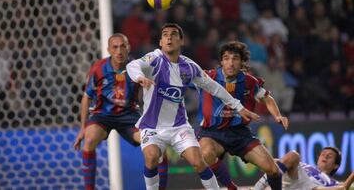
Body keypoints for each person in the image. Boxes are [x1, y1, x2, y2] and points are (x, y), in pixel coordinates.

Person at [126, 23, 260, 190]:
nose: (169, 37)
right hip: (152, 126)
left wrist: (238, 106)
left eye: (174, 34)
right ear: (160, 42)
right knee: (152, 157)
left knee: (199, 162)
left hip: (179, 126)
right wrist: (139, 77)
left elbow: (213, 87)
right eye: (165, 34)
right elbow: (132, 65)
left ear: (181, 41)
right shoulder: (154, 59)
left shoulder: (189, 67)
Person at [73, 33, 168, 190]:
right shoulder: (98, 68)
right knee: (89, 140)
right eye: (115, 47)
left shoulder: (138, 67)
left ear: (128, 48)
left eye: (123, 46)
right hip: (102, 116)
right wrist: (83, 128)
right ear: (108, 50)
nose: (119, 51)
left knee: (158, 148)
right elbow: (86, 97)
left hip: (130, 116)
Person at [197, 41, 289, 190]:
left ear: (242, 62)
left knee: (273, 171)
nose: (230, 63)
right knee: (205, 153)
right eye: (226, 58)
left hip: (240, 134)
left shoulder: (249, 81)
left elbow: (267, 98)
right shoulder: (207, 77)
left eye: (235, 59)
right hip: (211, 133)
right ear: (221, 62)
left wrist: (278, 116)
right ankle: (231, 187)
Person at [253, 147, 354, 190]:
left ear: (336, 165)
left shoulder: (332, 182)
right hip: (294, 180)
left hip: (311, 187)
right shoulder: (304, 166)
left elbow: (343, 188)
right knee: (293, 155)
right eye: (323, 154)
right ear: (318, 158)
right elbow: (278, 163)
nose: (325, 156)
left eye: (330, 156)